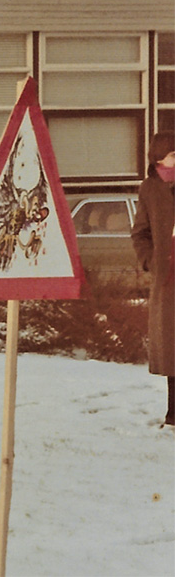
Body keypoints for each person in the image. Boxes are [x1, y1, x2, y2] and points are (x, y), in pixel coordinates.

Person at [131, 131, 175, 427]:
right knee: (173, 349)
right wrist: (151, 262)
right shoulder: (149, 189)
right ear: (160, 158)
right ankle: (174, 414)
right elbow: (140, 233)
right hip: (169, 279)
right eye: (174, 155)